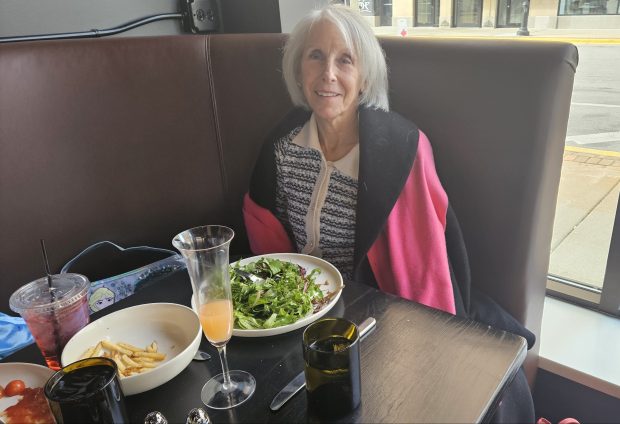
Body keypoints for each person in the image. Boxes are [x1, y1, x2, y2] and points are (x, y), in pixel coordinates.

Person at [244, 5, 535, 422]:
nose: (328, 73)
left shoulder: (401, 151)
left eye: (345, 59)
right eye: (315, 56)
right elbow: (270, 256)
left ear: (364, 77)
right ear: (298, 69)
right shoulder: (281, 147)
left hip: (377, 323)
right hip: (300, 325)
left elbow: (424, 272)